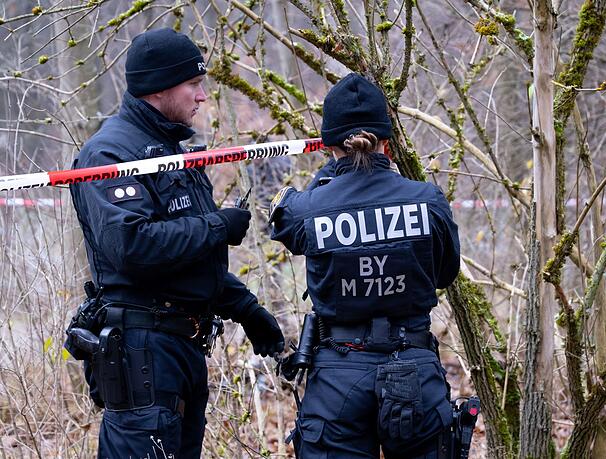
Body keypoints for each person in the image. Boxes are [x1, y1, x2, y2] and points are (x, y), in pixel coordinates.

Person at [68, 28, 285, 458]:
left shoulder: (174, 153)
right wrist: (219, 225)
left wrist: (247, 309)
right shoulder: (110, 154)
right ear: (160, 88)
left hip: (183, 350)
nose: (202, 96)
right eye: (194, 84)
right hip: (143, 355)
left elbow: (188, 263)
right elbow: (133, 247)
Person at [270, 73, 461, 458]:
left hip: (338, 376)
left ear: (328, 146)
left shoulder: (308, 208)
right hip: (414, 367)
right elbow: (445, 274)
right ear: (387, 143)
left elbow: (287, 221)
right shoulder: (428, 200)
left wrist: (335, 173)